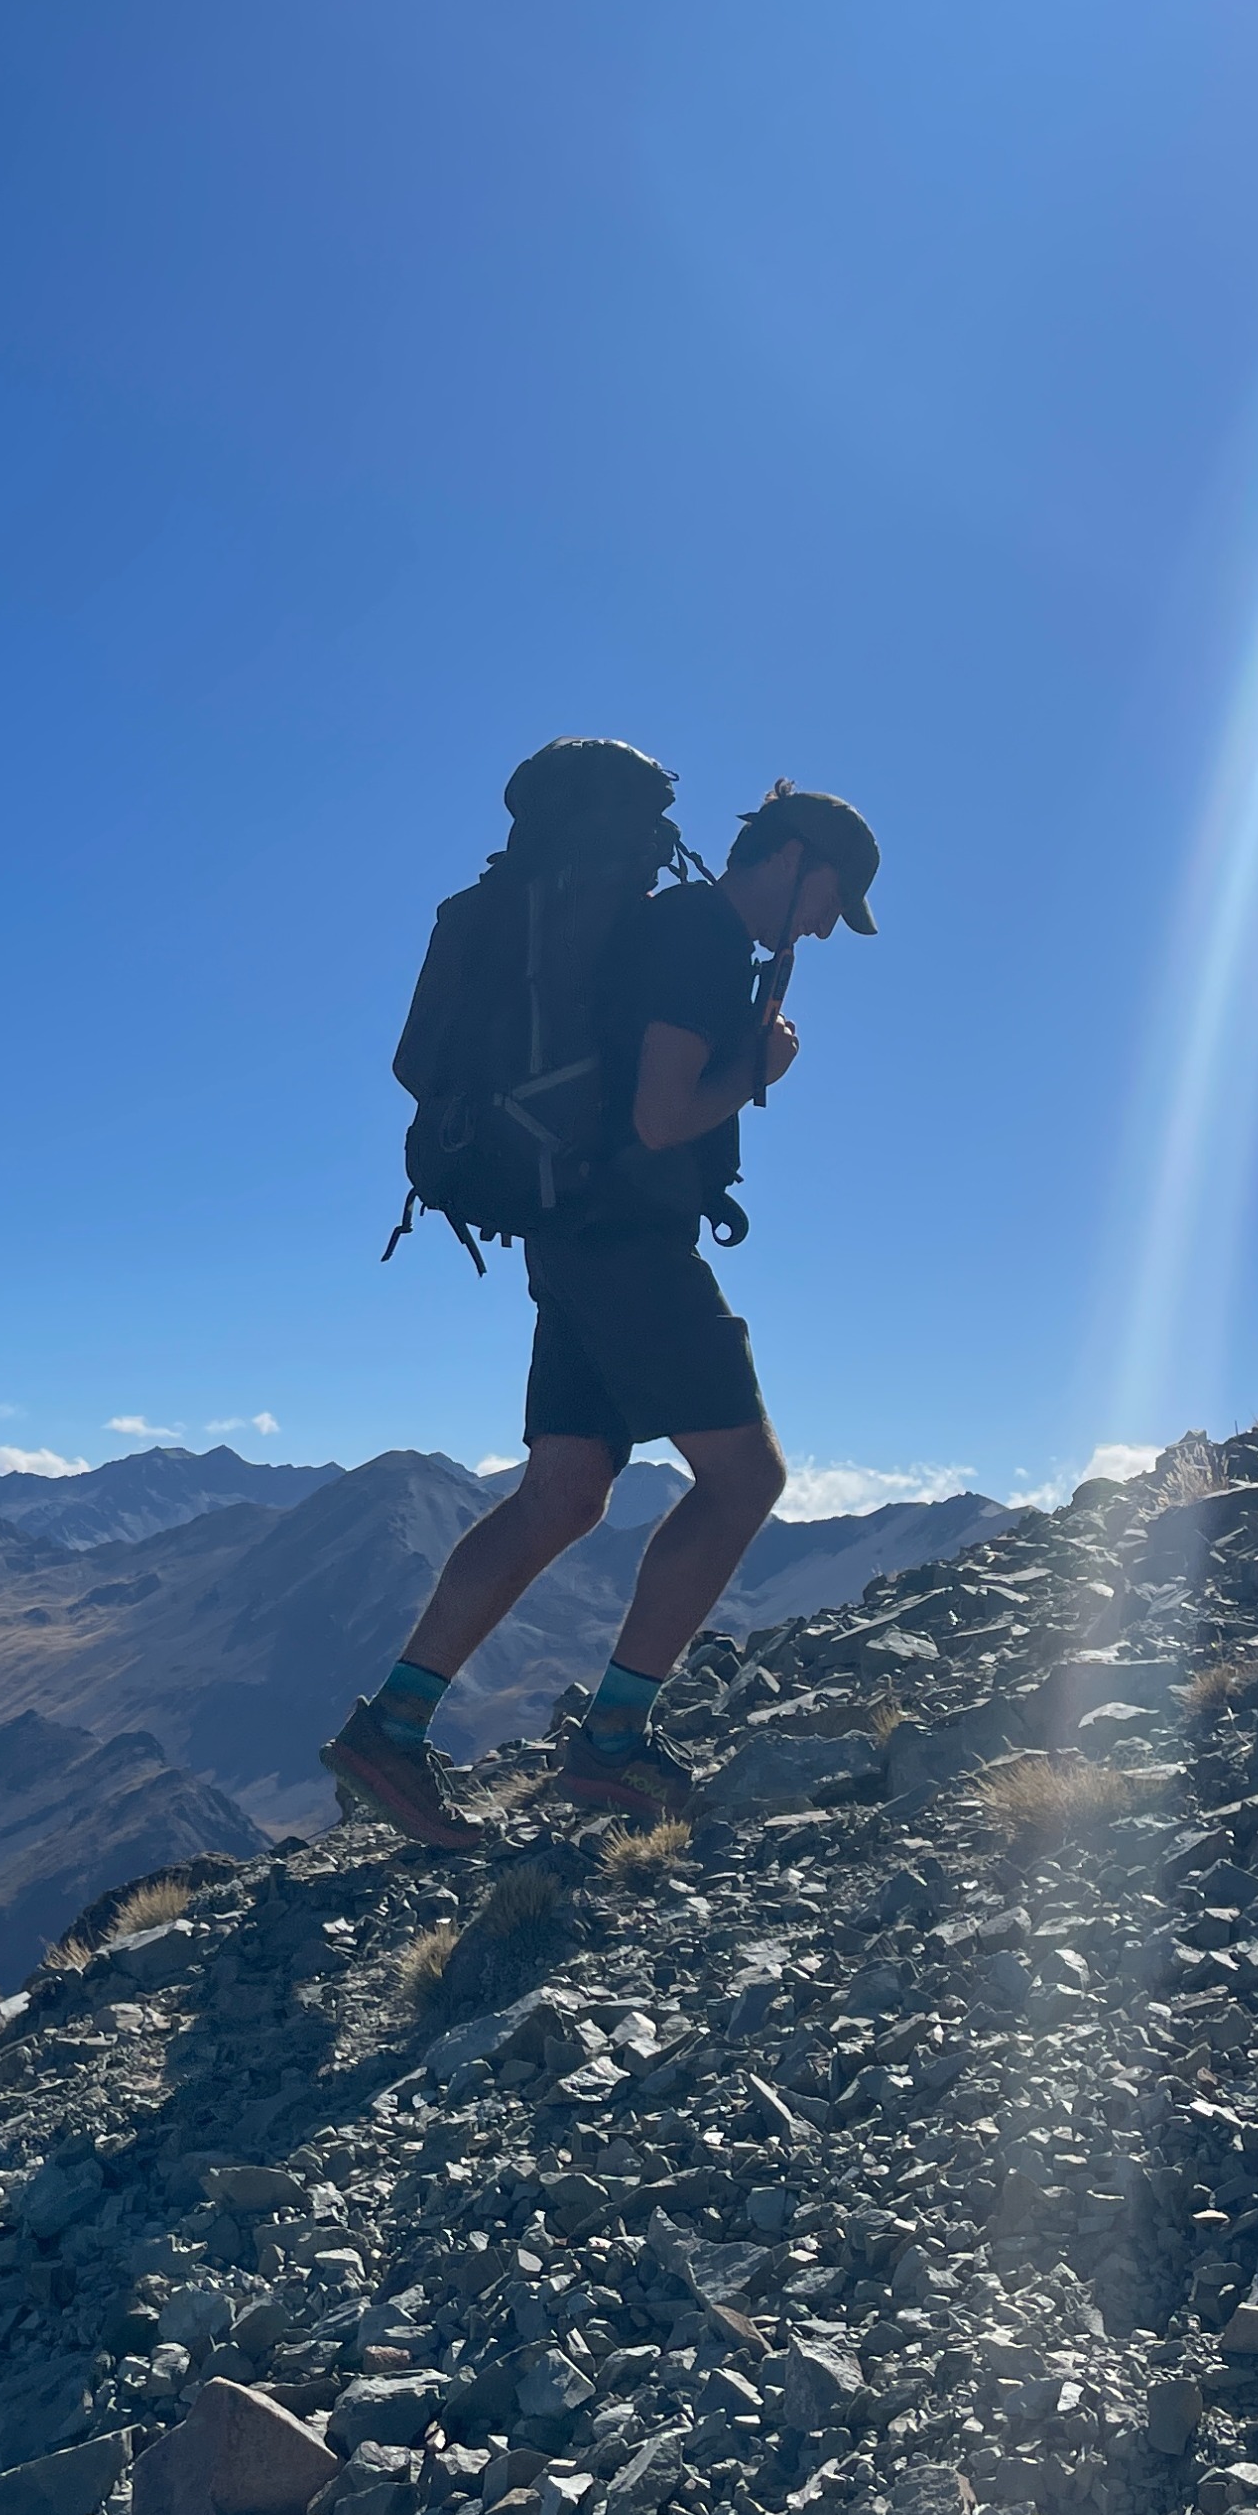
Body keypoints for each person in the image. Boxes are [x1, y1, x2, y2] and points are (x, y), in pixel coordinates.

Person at [322, 780, 881, 1850]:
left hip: (576, 1237)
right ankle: (613, 1743)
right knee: (746, 1477)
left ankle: (392, 1728)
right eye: (829, 899)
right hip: (628, 1247)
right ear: (794, 857)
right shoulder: (697, 939)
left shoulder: (677, 933)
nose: (822, 925)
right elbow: (662, 1115)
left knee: (566, 1491)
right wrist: (760, 1068)